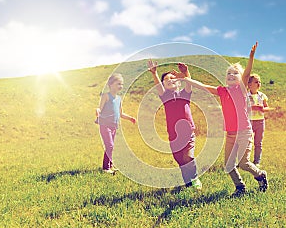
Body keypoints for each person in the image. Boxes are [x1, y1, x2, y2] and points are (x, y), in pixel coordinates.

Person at [182, 42, 268, 196]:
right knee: (228, 165)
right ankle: (240, 187)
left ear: (240, 78)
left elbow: (247, 73)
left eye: (234, 73)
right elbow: (202, 86)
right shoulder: (222, 91)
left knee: (244, 163)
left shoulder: (241, 89)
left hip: (244, 133)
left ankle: (260, 175)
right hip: (230, 134)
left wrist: (251, 57)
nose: (231, 75)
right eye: (228, 73)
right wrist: (186, 79)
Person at [147, 60, 202, 190]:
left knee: (188, 157)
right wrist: (154, 73)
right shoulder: (165, 96)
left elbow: (189, 84)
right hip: (173, 135)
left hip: (188, 132)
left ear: (178, 81)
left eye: (173, 78)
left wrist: (185, 73)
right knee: (180, 161)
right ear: (164, 85)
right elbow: (158, 86)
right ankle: (187, 183)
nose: (170, 80)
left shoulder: (185, 94)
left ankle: (194, 179)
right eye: (167, 80)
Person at [96, 73, 136, 174]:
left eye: (121, 84)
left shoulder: (119, 99)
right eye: (118, 84)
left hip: (114, 126)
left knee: (111, 146)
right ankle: (106, 168)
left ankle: (110, 165)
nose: (120, 86)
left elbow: (121, 113)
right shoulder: (106, 96)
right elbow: (99, 108)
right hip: (104, 125)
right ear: (111, 84)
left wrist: (130, 118)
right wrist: (97, 110)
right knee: (110, 145)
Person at [248, 74, 270, 166]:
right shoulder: (246, 95)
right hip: (249, 121)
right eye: (256, 82)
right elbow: (242, 108)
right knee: (246, 142)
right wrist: (252, 107)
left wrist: (262, 109)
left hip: (260, 121)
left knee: (258, 142)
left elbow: (267, 107)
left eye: (259, 82)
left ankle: (257, 162)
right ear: (249, 84)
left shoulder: (262, 96)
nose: (258, 83)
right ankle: (244, 161)